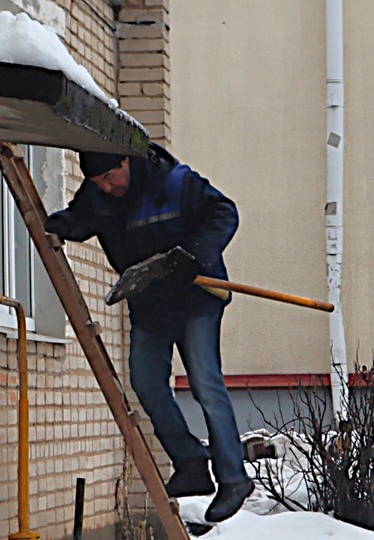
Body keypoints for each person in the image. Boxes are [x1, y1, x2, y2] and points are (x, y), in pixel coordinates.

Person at [44, 142, 254, 522]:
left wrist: (195, 255)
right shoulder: (98, 193)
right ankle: (190, 463)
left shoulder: (173, 182)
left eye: (110, 177)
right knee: (144, 380)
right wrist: (61, 224)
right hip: (150, 303)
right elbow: (81, 218)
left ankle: (233, 477)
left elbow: (224, 212)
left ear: (126, 161)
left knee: (205, 382)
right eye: (98, 181)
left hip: (196, 298)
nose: (106, 187)